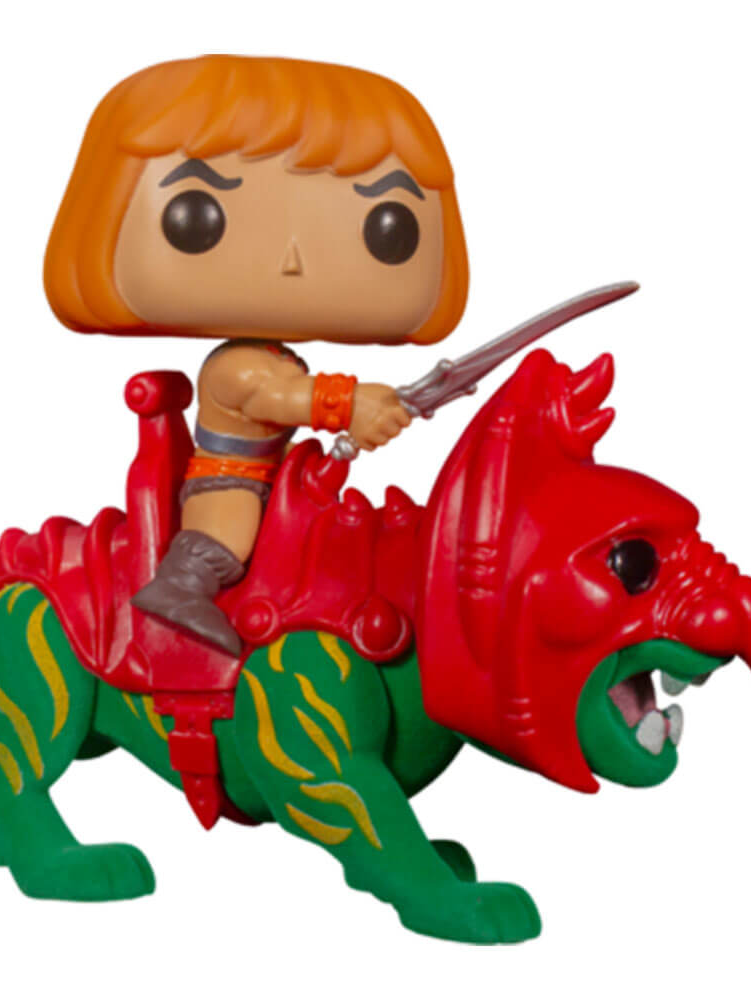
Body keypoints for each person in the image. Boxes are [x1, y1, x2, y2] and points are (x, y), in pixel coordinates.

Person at [43, 55, 469, 654]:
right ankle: (181, 584)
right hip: (232, 478)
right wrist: (348, 403)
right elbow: (279, 398)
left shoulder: (276, 353)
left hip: (284, 475)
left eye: (387, 225)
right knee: (232, 530)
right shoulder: (235, 367)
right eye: (198, 216)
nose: (294, 257)